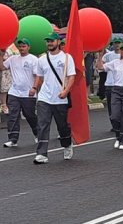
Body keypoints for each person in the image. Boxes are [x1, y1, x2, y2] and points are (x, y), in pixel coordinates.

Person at [33, 32, 75, 164]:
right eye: (48, 41)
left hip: (60, 98)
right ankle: (41, 154)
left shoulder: (67, 58)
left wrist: (66, 91)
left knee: (62, 126)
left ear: (58, 42)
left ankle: (67, 145)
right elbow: (39, 77)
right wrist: (35, 90)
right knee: (42, 125)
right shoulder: (42, 59)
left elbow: (72, 77)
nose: (49, 43)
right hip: (44, 97)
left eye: (52, 41)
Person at [0, 38, 38, 148]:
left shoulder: (33, 59)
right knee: (13, 115)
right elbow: (0, 68)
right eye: (20, 46)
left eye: (24, 46)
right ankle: (13, 139)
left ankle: (37, 133)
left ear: (28, 47)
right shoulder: (13, 59)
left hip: (28, 93)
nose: (21, 48)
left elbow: (38, 75)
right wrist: (1, 55)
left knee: (29, 115)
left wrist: (34, 88)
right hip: (14, 92)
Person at [96, 42, 123, 149]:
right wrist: (100, 55)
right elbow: (100, 67)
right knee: (115, 116)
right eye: (122, 49)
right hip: (116, 89)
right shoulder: (115, 62)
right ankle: (118, 136)